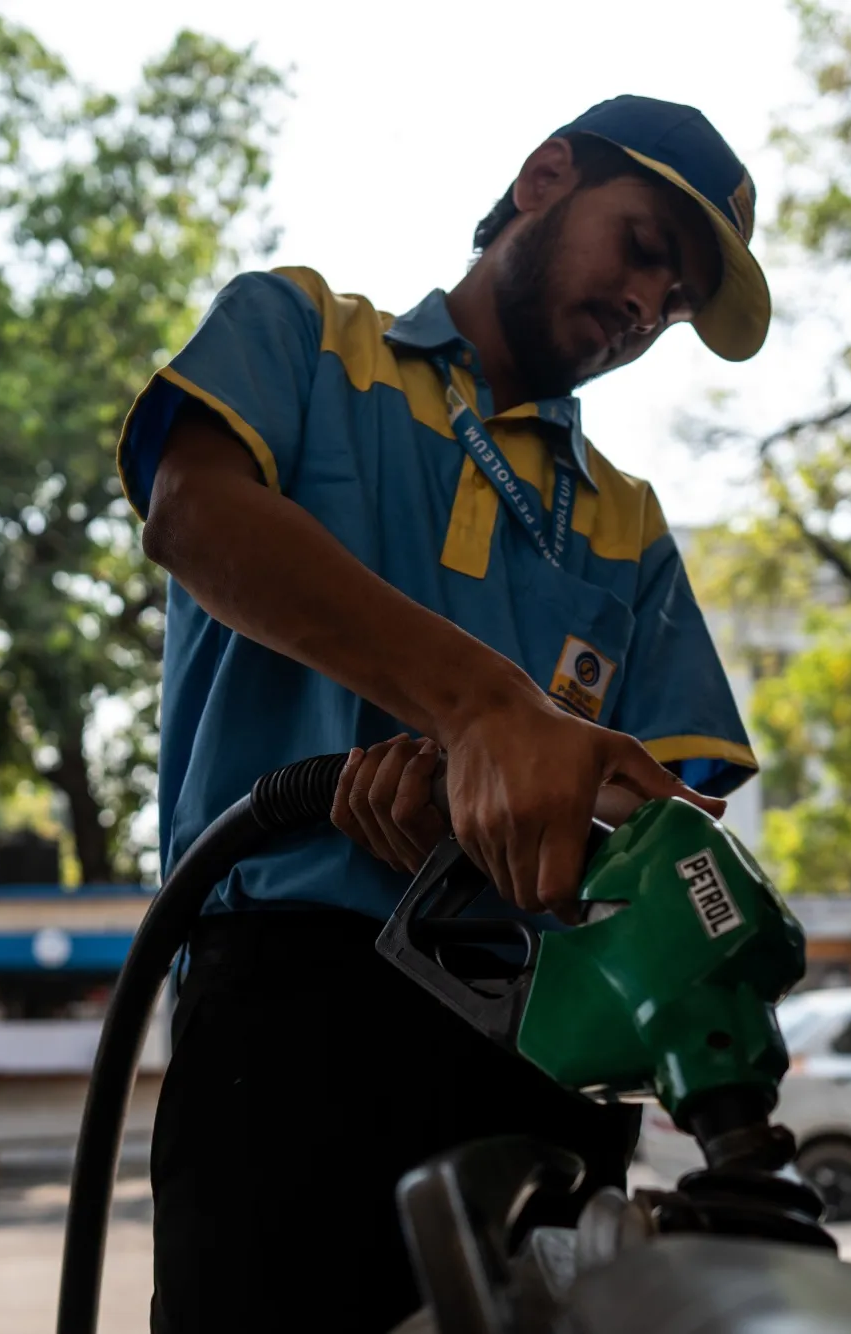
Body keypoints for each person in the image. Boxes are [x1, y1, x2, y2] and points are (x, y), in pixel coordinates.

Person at [117, 95, 771, 1333]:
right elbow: (192, 513)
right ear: (542, 178)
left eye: (676, 300)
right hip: (294, 1009)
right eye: (640, 245)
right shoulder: (307, 338)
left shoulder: (623, 518)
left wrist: (512, 820)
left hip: (540, 1039)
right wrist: (486, 714)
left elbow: (672, 808)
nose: (647, 307)